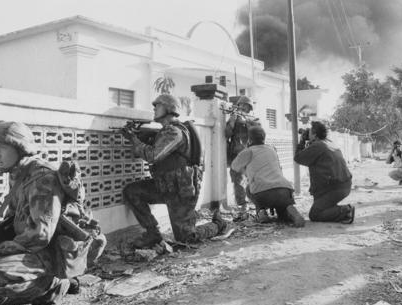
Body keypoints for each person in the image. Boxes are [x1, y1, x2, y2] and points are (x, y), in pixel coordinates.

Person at [0, 122, 74, 305]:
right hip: (29, 246)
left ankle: (54, 286)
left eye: (2, 147)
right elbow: (12, 218)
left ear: (21, 147)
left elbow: (41, 234)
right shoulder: (18, 173)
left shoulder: (43, 178)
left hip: (50, 251)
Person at [123, 94, 226, 248]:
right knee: (131, 191)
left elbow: (153, 155)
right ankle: (153, 234)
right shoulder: (166, 131)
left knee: (186, 239)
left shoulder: (174, 132)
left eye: (157, 106)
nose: (154, 109)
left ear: (169, 109)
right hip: (165, 186)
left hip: (180, 191)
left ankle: (218, 225)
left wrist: (134, 140)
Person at [230, 126, 305, 227]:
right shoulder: (272, 149)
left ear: (249, 139)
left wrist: (244, 174)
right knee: (282, 212)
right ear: (263, 138)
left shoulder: (248, 151)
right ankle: (290, 210)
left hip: (263, 193)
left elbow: (234, 167)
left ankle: (262, 212)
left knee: (249, 188)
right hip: (284, 190)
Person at [294, 121, 355, 224]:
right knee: (318, 201)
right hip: (342, 185)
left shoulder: (318, 146)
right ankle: (335, 210)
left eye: (309, 132)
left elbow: (298, 158)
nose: (307, 133)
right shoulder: (328, 142)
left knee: (315, 214)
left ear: (315, 134)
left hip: (335, 188)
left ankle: (346, 210)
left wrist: (301, 141)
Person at [225, 95, 260, 221]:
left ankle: (257, 205)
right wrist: (232, 121)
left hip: (250, 153)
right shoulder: (234, 117)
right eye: (241, 105)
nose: (242, 107)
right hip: (237, 153)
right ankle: (243, 205)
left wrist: (247, 122)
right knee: (237, 180)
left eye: (245, 105)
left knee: (252, 179)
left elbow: (258, 133)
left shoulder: (253, 120)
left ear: (249, 107)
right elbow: (227, 134)